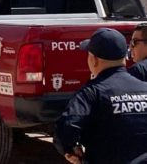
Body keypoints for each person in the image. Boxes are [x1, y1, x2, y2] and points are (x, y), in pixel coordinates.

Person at [55, 27, 147, 164]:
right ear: (123, 58)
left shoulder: (90, 93)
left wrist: (71, 149)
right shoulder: (144, 87)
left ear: (94, 60)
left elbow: (66, 129)